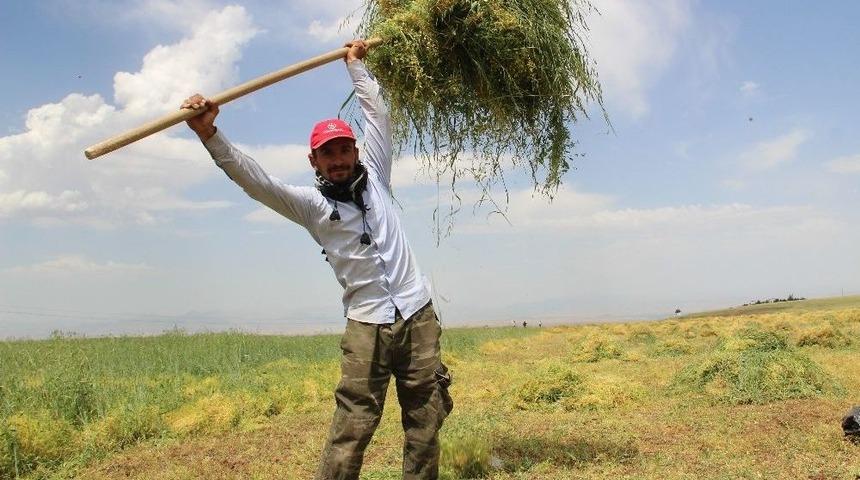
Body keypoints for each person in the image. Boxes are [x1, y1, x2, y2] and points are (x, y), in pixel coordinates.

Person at [181, 39, 453, 480]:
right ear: (315, 161)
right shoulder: (309, 205)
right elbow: (256, 181)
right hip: (366, 325)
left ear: (356, 151)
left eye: (344, 149)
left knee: (425, 419)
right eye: (328, 153)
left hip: (417, 315)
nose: (339, 158)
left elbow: (378, 117)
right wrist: (209, 133)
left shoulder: (378, 180)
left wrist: (355, 67)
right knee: (352, 427)